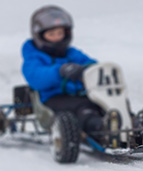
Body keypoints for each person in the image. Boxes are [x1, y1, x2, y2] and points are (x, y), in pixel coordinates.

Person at [21, 5, 107, 139]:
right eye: (51, 34)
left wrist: (88, 69)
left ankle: (133, 125)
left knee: (105, 102)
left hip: (81, 94)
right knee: (83, 108)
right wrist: (59, 71)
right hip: (52, 98)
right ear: (40, 36)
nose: (56, 38)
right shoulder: (33, 57)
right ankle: (100, 128)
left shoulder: (71, 53)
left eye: (60, 33)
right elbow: (36, 77)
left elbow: (91, 64)